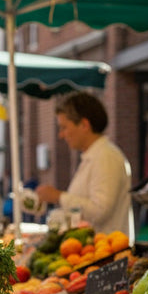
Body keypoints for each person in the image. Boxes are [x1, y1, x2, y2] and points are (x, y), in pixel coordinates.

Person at [35, 91, 132, 235]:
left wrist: (58, 197)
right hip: (92, 246)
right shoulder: (95, 155)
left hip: (104, 247)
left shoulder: (105, 156)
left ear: (84, 125)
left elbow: (100, 210)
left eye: (64, 127)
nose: (61, 135)